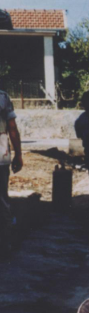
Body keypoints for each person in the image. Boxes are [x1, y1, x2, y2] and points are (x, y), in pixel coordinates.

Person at [0, 90, 22, 261]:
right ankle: (5, 243)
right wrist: (18, 154)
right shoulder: (3, 97)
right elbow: (12, 128)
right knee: (2, 200)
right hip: (1, 156)